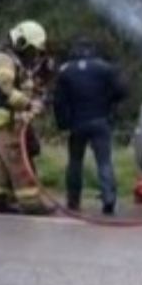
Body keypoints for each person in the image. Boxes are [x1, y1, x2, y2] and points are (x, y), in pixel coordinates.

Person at [53, 38, 127, 215]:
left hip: (77, 123)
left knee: (75, 162)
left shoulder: (65, 71)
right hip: (100, 121)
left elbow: (59, 101)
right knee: (104, 162)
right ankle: (109, 199)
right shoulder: (105, 68)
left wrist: (63, 123)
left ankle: (73, 201)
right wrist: (109, 105)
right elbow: (122, 91)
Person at [0, 20, 50, 215]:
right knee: (20, 163)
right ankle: (32, 204)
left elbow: (22, 85)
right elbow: (4, 88)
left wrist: (36, 96)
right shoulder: (4, 59)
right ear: (22, 42)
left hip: (7, 122)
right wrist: (28, 104)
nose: (34, 55)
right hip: (8, 121)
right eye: (32, 49)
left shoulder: (14, 60)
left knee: (2, 163)